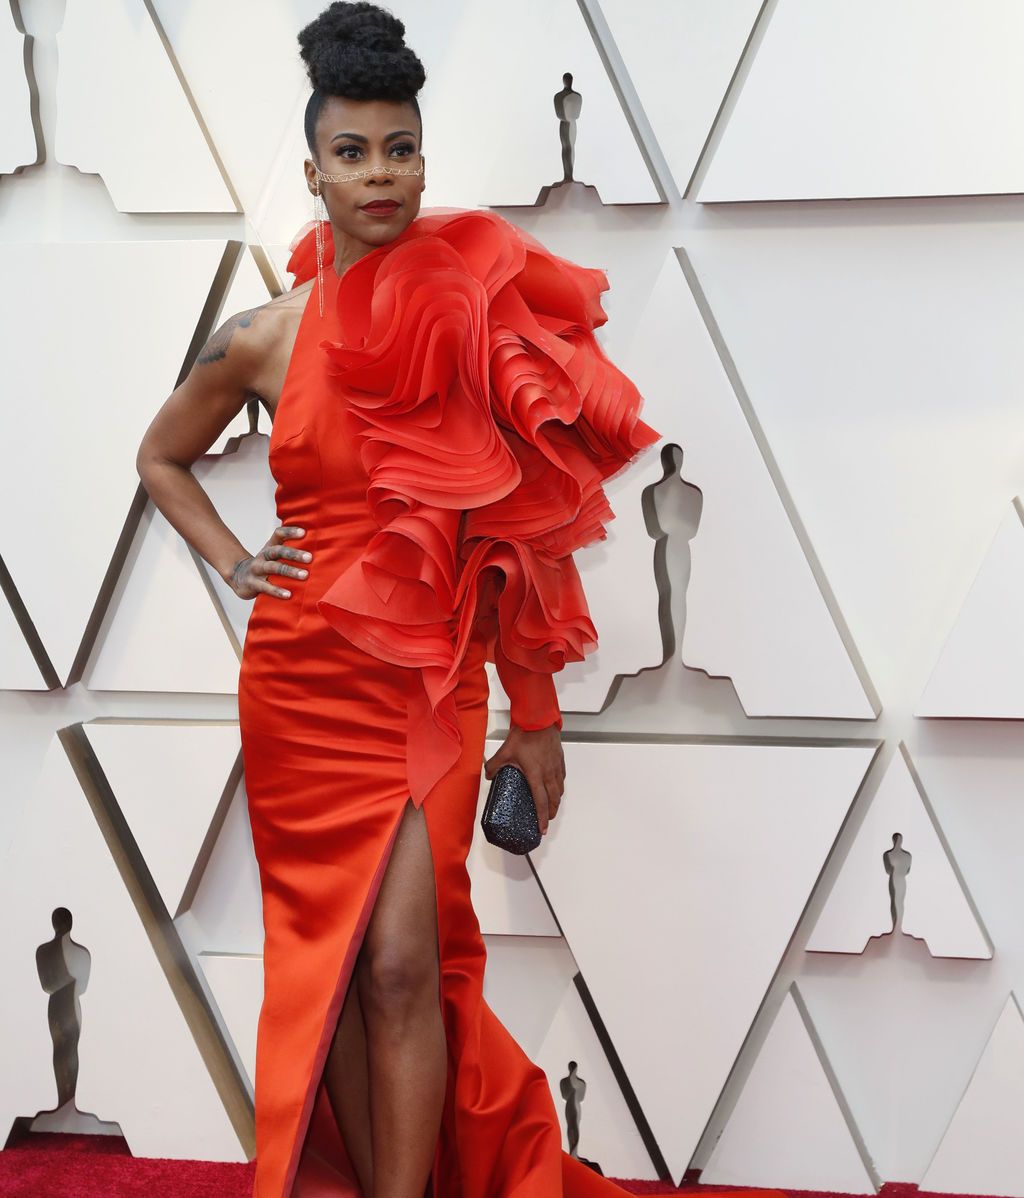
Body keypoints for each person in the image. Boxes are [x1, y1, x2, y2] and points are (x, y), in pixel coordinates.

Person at [134, 4, 689, 1195]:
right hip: (301, 681)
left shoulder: (480, 311)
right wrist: (238, 562)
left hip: (432, 679)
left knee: (402, 964)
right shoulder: (262, 338)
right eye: (351, 152)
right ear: (313, 171)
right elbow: (158, 457)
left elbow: (518, 535)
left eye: (399, 148)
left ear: (423, 158)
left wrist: (532, 714)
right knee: (334, 967)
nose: (377, 174)